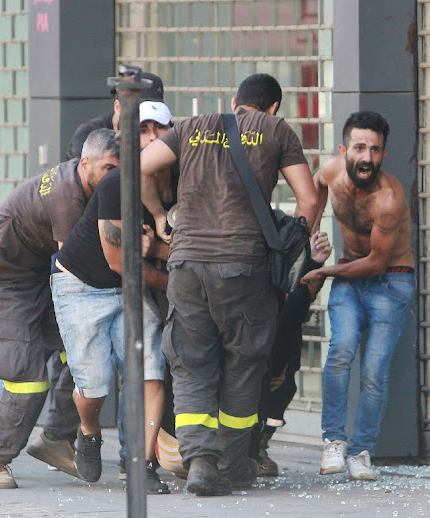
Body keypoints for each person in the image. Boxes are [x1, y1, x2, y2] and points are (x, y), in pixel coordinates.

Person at [140, 73, 318, 496]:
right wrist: (294, 240)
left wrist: (162, 217)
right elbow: (308, 200)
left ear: (235, 101)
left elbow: (142, 165)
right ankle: (234, 466)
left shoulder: (192, 126)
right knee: (243, 363)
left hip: (186, 265)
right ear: (273, 107)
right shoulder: (277, 130)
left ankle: (199, 463)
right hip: (245, 269)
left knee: (191, 364)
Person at [0, 129, 120, 489]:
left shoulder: (91, 184)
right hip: (5, 283)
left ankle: (55, 439)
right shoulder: (68, 199)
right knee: (26, 377)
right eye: (110, 168)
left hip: (42, 277)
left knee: (82, 353)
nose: (116, 177)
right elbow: (80, 263)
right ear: (86, 164)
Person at [50, 101, 174, 494]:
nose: (153, 137)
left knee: (152, 368)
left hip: (130, 286)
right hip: (81, 285)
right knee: (96, 384)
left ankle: (144, 464)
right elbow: (120, 259)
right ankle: (88, 432)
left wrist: (157, 248)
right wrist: (173, 282)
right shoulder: (115, 182)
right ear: (130, 140)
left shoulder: (177, 177)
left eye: (160, 129)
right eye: (144, 130)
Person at [301, 110, 416, 481]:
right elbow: (317, 186)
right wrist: (311, 233)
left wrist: (323, 270)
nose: (367, 157)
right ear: (344, 149)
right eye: (360, 147)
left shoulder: (389, 199)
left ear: (384, 154)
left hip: (390, 280)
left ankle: (360, 451)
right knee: (341, 351)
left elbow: (376, 262)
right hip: (349, 275)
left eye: (376, 150)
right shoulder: (332, 170)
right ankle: (333, 441)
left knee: (373, 371)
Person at [254, 231, 332, 476]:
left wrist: (314, 262)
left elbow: (294, 309)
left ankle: (259, 447)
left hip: (277, 347)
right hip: (246, 342)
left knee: (283, 385)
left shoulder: (292, 294)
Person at [65, 71, 165, 160]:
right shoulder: (87, 134)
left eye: (159, 126)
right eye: (142, 129)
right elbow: (76, 176)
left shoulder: (167, 137)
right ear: (118, 108)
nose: (153, 136)